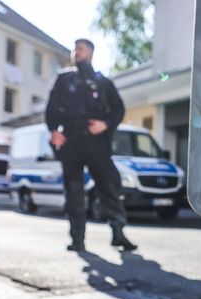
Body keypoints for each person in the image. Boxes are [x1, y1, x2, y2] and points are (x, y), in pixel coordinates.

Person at [45, 38, 135, 252]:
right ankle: (77, 239)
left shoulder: (103, 82)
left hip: (97, 142)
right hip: (71, 141)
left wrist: (105, 124)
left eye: (81, 49)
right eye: (75, 49)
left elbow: (118, 109)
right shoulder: (64, 78)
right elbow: (51, 107)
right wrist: (53, 131)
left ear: (91, 53)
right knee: (73, 190)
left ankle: (118, 233)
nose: (76, 52)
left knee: (109, 186)